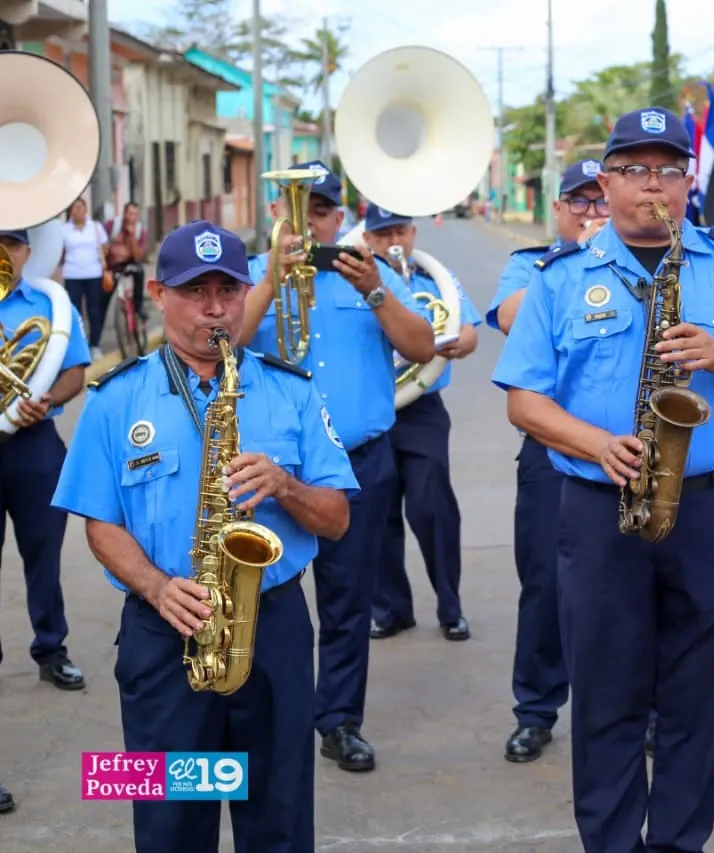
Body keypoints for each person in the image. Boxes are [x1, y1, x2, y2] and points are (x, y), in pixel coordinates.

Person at [492, 107, 714, 852]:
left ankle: (678, 841)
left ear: (688, 180)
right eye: (635, 170)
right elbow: (523, 399)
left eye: (669, 170)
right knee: (604, 699)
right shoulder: (558, 279)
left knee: (701, 700)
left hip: (712, 512)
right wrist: (598, 443)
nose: (653, 187)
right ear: (605, 183)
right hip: (600, 512)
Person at [51, 220, 358, 852]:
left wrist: (286, 486)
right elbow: (99, 525)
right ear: (160, 294)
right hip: (162, 636)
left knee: (278, 817)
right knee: (170, 825)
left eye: (228, 288)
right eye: (196, 291)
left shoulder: (291, 388)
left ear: (247, 292)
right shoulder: (114, 398)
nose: (215, 308)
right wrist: (158, 588)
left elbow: (336, 518)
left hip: (270, 633)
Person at [239, 160, 437, 773]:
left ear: (339, 218)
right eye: (299, 209)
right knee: (266, 595)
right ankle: (270, 711)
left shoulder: (368, 274)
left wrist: (375, 292)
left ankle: (340, 720)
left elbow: (422, 347)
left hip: (357, 464)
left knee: (348, 599)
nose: (311, 222)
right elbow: (225, 348)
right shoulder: (249, 277)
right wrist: (271, 283)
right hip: (270, 471)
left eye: (322, 211)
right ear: (276, 214)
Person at [486, 158, 607, 763]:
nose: (591, 213)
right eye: (578, 203)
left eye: (599, 201)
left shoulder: (642, 262)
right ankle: (536, 709)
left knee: (634, 588)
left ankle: (645, 711)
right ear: (557, 210)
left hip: (630, 454)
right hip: (552, 450)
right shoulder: (532, 267)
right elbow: (511, 318)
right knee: (544, 583)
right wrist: (585, 262)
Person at [362, 206, 481, 642]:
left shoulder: (436, 279)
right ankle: (391, 609)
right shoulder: (357, 279)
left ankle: (451, 607)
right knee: (378, 513)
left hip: (422, 409)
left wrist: (454, 343)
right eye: (382, 233)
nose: (393, 239)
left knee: (432, 508)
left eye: (400, 230)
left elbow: (468, 333)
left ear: (413, 232)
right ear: (368, 239)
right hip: (372, 408)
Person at [0, 228, 93, 691]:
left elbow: (76, 371)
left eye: (12, 243)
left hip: (34, 442)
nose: (4, 252)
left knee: (43, 553)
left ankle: (51, 648)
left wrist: (45, 397)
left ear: (28, 252)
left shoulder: (50, 305)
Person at [58, 197, 109, 361]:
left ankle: (95, 345)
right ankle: (78, 345)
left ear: (85, 209)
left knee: (94, 310)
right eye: (73, 208)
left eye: (80, 207)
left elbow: (105, 247)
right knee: (75, 311)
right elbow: (60, 252)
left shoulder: (95, 227)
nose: (76, 211)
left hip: (93, 274)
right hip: (72, 275)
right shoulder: (63, 230)